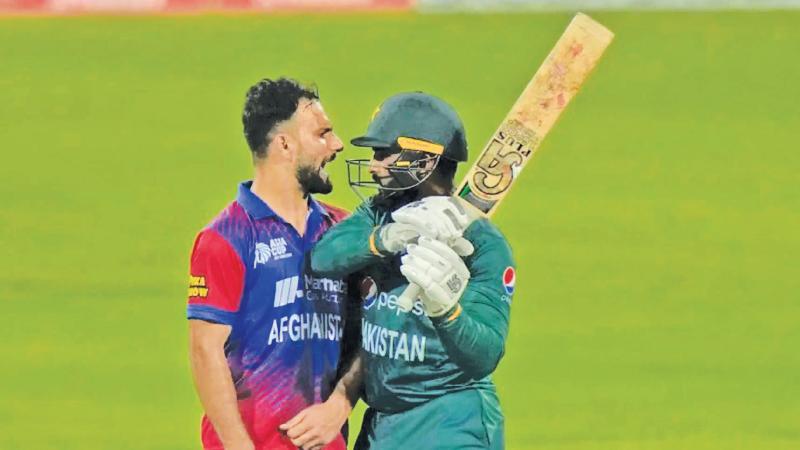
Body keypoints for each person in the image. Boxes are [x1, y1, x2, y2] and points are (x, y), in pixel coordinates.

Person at [280, 92, 516, 449]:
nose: (373, 166)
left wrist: (446, 310)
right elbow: (324, 258)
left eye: (383, 155)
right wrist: (391, 236)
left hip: (451, 422)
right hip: (383, 426)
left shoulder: (481, 245)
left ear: (423, 161)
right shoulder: (380, 213)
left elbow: (484, 355)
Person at [186, 77, 352, 450]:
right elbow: (205, 351)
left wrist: (340, 404)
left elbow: (371, 332)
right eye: (323, 133)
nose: (337, 144)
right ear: (285, 144)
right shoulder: (226, 238)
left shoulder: (343, 230)